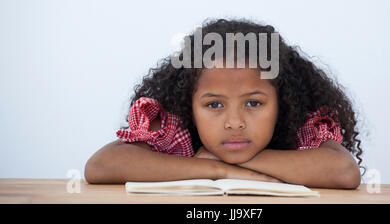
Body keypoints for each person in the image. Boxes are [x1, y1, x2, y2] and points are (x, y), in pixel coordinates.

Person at [84, 18, 364, 189]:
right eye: (214, 105)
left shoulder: (301, 125)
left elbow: (343, 171)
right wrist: (219, 169)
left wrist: (242, 162)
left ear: (282, 104)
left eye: (253, 103)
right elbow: (101, 166)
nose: (234, 122)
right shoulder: (172, 127)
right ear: (188, 105)